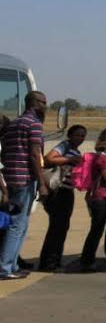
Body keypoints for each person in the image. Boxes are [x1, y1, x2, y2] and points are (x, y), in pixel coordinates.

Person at [0, 91, 49, 280]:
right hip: (25, 179)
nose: (46, 106)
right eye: (43, 102)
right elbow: (35, 155)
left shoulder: (14, 124)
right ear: (34, 103)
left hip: (11, 178)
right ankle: (5, 268)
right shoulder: (34, 123)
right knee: (18, 225)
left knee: (19, 223)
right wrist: (42, 183)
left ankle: (12, 265)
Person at [38, 125, 87, 272]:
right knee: (57, 227)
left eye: (83, 135)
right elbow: (48, 159)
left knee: (62, 227)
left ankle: (55, 260)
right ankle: (48, 263)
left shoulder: (76, 151)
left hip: (67, 191)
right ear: (70, 136)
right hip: (58, 192)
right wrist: (69, 159)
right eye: (77, 135)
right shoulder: (64, 146)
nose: (80, 138)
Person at [79, 127, 106, 273]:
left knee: (96, 229)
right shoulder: (104, 159)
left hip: (97, 197)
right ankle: (87, 261)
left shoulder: (101, 156)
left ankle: (87, 259)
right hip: (100, 198)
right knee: (96, 230)